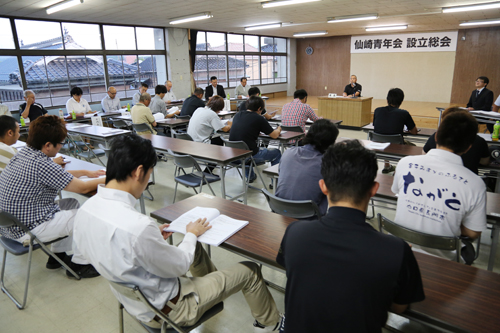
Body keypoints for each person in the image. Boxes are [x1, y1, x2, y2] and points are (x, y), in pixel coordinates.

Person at [72, 134, 283, 332]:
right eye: (148, 176)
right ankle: (272, 323)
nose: (146, 184)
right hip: (173, 308)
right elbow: (180, 265)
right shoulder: (138, 227)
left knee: (196, 248)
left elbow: (109, 247)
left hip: (135, 300)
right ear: (138, 172)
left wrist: (154, 237)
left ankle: (215, 286)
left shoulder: (85, 210)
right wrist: (190, 233)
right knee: (251, 270)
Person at [277, 140, 425, 332]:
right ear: (374, 189)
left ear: (323, 186)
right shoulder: (396, 250)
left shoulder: (294, 233)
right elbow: (399, 306)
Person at [0, 115, 105, 278]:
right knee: (87, 216)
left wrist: (85, 172)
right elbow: (82, 187)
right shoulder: (41, 163)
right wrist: (112, 176)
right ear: (48, 145)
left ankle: (57, 256)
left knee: (71, 203)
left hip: (10, 226)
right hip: (27, 230)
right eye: (61, 143)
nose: (61, 147)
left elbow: (53, 174)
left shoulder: (24, 154)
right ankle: (80, 265)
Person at [392, 111, 487, 262]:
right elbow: (473, 232)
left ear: (436, 137)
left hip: (401, 250)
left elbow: (398, 194)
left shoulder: (406, 163)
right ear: (468, 147)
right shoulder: (475, 184)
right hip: (444, 260)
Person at [275, 119, 339, 215]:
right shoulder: (327, 164)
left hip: (279, 210)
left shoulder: (288, 153)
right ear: (331, 142)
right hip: (309, 216)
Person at [424, 107, 490, 175]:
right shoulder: (479, 140)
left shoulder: (435, 136)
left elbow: (424, 153)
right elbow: (485, 161)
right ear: (467, 148)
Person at [229, 96, 281, 182]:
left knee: (245, 149)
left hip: (233, 155)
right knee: (277, 153)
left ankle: (250, 177)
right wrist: (279, 129)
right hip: (249, 156)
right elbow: (274, 135)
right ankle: (275, 183)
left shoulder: (237, 115)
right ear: (260, 108)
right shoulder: (259, 118)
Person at [373, 88, 418, 173]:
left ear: (387, 100)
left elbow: (376, 126)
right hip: (397, 145)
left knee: (386, 140)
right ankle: (400, 169)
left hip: (378, 144)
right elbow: (414, 131)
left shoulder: (377, 110)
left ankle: (387, 166)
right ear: (401, 101)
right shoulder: (404, 113)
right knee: (414, 147)